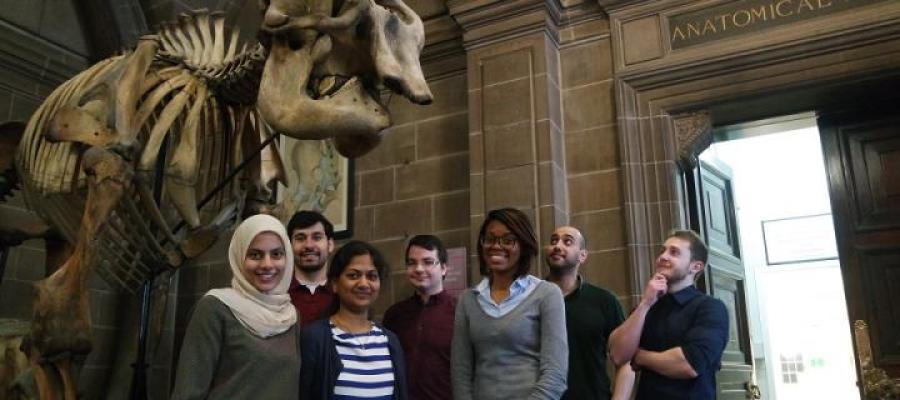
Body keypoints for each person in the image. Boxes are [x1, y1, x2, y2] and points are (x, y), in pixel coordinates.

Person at [171, 214, 299, 399]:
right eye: (255, 255)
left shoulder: (290, 316)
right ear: (239, 257)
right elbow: (188, 391)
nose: (267, 264)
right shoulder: (215, 308)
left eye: (277, 254)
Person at [451, 208, 568, 400]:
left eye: (508, 240)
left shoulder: (547, 294)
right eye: (489, 239)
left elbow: (555, 373)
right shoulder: (468, 300)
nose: (496, 246)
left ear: (523, 245)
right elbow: (460, 371)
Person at [608, 230, 729, 400]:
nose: (663, 257)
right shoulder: (648, 306)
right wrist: (645, 304)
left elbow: (688, 364)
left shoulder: (710, 308)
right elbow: (618, 354)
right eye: (662, 251)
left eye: (674, 252)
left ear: (695, 267)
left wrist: (639, 356)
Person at [299, 240, 408, 400]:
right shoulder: (315, 337)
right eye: (353, 275)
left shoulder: (390, 341)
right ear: (335, 284)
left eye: (372, 276)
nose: (364, 283)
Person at [544, 226, 633, 400]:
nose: (557, 246)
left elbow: (625, 361)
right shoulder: (530, 297)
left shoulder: (604, 301)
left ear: (582, 255)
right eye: (553, 241)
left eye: (567, 241)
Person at [383, 235, 457, 400]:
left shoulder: (461, 313)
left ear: (444, 268)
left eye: (428, 262)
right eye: (412, 262)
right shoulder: (394, 314)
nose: (418, 269)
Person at [287, 210, 336, 325]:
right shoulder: (277, 293)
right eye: (300, 238)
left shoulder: (343, 293)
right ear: (289, 246)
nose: (308, 245)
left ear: (330, 245)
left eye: (317, 237)